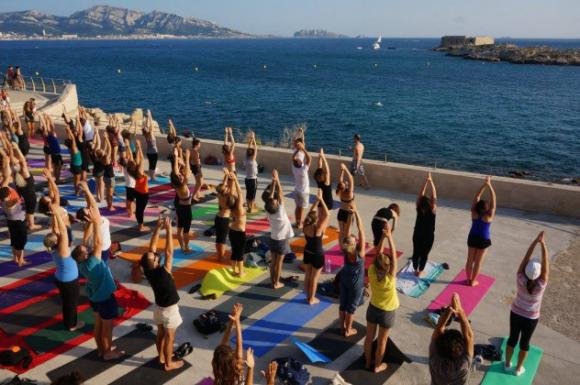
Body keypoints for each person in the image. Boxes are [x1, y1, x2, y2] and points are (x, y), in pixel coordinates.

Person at [72, 206, 124, 361]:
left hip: (94, 298)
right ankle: (108, 353)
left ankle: (101, 349)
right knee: (107, 327)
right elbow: (98, 242)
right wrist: (95, 222)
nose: (86, 247)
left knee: (98, 324)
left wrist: (89, 225)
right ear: (84, 254)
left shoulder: (81, 264)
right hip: (105, 298)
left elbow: (86, 242)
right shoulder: (94, 260)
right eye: (84, 249)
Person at [141, 217, 184, 371]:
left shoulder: (148, 270)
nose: (155, 254)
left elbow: (151, 249)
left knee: (160, 333)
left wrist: (158, 229)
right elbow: (169, 251)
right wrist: (169, 230)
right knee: (170, 338)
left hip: (158, 307)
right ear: (154, 263)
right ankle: (168, 363)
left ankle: (160, 356)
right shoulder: (163, 272)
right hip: (169, 310)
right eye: (154, 258)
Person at [505, 231, 549, 376]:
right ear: (539, 273)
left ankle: (507, 364)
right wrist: (543, 245)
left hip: (516, 313)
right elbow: (546, 262)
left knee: (512, 338)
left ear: (526, 270)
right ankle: (518, 369)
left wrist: (536, 241)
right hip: (531, 318)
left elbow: (526, 257)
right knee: (525, 343)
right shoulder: (541, 284)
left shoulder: (520, 278)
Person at [43, 201, 84, 332]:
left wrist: (55, 215)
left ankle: (69, 321)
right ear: (56, 241)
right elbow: (63, 232)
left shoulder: (54, 248)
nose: (57, 234)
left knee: (67, 302)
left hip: (61, 279)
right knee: (71, 304)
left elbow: (56, 231)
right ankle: (71, 325)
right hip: (68, 281)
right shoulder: (63, 250)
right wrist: (59, 217)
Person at [364, 225, 399, 373]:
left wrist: (383, 237)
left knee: (369, 337)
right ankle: (377, 366)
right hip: (387, 312)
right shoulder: (390, 279)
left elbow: (377, 253)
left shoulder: (371, 272)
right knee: (381, 341)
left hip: (373, 308)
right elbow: (393, 255)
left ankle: (367, 363)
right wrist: (390, 236)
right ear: (388, 268)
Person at [429, 293, 474, 385]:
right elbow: (469, 336)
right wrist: (459, 310)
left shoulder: (435, 360)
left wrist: (449, 310)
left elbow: (439, 328)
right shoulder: (463, 365)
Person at [265, 170, 295, 289]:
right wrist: (277, 180)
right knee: (279, 263)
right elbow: (281, 194)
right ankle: (276, 283)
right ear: (277, 205)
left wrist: (274, 181)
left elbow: (270, 197)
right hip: (282, 241)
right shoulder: (281, 212)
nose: (276, 200)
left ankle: (273, 280)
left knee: (273, 262)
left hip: (273, 239)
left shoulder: (269, 211)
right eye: (276, 201)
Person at [339, 208, 365, 337]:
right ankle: (348, 330)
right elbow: (361, 230)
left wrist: (350, 214)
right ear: (354, 244)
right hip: (356, 284)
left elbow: (347, 230)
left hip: (344, 279)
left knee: (343, 305)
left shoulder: (344, 250)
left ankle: (341, 327)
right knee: (351, 308)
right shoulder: (359, 254)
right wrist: (357, 212)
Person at [213, 303, 254, 385]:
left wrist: (233, 322)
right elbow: (239, 345)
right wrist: (251, 368)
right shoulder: (238, 372)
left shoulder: (218, 371)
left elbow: (226, 343)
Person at [466, 176, 496, 286]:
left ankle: (468, 279)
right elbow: (494, 200)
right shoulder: (488, 216)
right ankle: (473, 281)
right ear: (487, 208)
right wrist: (490, 186)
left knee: (470, 260)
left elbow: (477, 196)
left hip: (472, 237)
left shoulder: (474, 212)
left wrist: (484, 184)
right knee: (478, 262)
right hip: (483, 240)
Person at [0, 146, 27, 266]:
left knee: (14, 240)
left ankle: (15, 258)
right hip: (17, 221)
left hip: (11, 221)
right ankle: (20, 260)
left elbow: (6, 173)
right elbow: (14, 202)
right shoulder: (10, 202)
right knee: (20, 241)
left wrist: (5, 155)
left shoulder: (3, 192)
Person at [303, 190, 329, 305]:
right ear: (316, 219)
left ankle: (307, 296)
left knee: (308, 275)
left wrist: (316, 201)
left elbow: (310, 212)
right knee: (314, 278)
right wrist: (321, 200)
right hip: (318, 254)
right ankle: (311, 299)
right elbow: (327, 214)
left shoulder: (305, 225)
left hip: (307, 252)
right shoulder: (317, 229)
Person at [76, 182, 112, 262]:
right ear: (87, 218)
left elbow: (90, 204)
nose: (90, 209)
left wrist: (86, 192)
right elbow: (94, 205)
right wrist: (88, 190)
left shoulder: (90, 221)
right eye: (88, 211)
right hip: (102, 249)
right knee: (102, 266)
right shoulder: (96, 220)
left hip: (100, 246)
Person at [9, 142, 39, 231]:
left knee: (28, 208)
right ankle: (31, 225)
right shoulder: (24, 173)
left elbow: (14, 161)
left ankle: (28, 220)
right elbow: (22, 160)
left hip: (24, 195)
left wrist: (11, 150)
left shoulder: (14, 174)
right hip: (30, 195)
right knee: (31, 209)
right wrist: (17, 148)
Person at [412, 172, 437, 276]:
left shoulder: (418, 208)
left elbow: (420, 194)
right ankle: (420, 271)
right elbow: (434, 196)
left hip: (417, 233)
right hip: (428, 235)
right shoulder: (432, 210)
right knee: (424, 254)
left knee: (416, 251)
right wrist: (431, 181)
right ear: (430, 203)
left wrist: (426, 181)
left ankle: (415, 269)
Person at [170, 147, 193, 253]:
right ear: (180, 180)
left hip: (179, 207)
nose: (181, 175)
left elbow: (175, 172)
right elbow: (188, 173)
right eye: (180, 176)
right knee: (186, 231)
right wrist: (187, 158)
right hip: (186, 209)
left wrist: (176, 156)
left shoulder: (175, 184)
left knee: (179, 229)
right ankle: (186, 247)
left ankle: (181, 246)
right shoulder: (183, 186)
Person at [227, 171, 247, 277]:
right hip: (240, 233)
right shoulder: (239, 209)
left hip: (232, 231)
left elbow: (232, 194)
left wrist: (231, 180)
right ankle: (240, 272)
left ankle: (233, 270)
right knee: (239, 254)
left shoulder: (231, 206)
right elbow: (240, 193)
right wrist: (236, 180)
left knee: (234, 251)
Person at [127, 139, 150, 232]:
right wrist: (139, 147)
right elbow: (142, 160)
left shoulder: (133, 171)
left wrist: (137, 148)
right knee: (140, 210)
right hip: (143, 193)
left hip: (137, 191)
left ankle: (140, 223)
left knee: (139, 209)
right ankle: (141, 226)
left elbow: (137, 159)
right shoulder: (139, 172)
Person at [291, 140, 311, 229]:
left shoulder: (294, 169)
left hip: (297, 191)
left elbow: (293, 158)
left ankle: (297, 222)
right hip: (304, 192)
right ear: (300, 163)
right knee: (301, 209)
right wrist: (303, 148)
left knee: (297, 208)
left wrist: (297, 150)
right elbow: (309, 158)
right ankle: (299, 224)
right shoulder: (304, 169)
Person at [215, 171, 234, 261]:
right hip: (224, 220)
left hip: (218, 217)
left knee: (218, 238)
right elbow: (230, 187)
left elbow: (223, 185)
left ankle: (219, 255)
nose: (227, 187)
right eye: (226, 187)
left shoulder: (219, 195)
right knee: (222, 240)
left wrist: (226, 175)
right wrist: (233, 180)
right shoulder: (227, 197)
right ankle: (221, 256)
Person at [63, 114, 83, 195]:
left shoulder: (71, 148)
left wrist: (68, 131)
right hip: (76, 166)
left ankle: (76, 190)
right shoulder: (74, 149)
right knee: (77, 180)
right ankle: (77, 192)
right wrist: (70, 132)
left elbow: (70, 139)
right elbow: (73, 140)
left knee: (76, 179)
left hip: (74, 165)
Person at [336, 163, 355, 239]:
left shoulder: (340, 192)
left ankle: (341, 245)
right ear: (345, 186)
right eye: (345, 183)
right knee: (347, 232)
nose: (345, 182)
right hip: (348, 213)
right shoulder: (349, 193)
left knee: (341, 231)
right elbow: (351, 178)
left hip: (341, 212)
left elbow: (340, 181)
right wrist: (345, 168)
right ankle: (346, 246)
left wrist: (342, 171)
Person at [121, 139, 136, 218]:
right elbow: (131, 156)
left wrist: (127, 147)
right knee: (131, 200)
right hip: (131, 186)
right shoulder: (128, 167)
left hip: (128, 185)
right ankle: (131, 213)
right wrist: (128, 146)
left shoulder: (125, 167)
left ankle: (128, 210)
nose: (127, 158)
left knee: (128, 199)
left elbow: (129, 156)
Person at [244, 131, 258, 213]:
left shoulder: (246, 159)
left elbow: (248, 149)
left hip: (247, 179)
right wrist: (254, 139)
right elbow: (255, 148)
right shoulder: (252, 161)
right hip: (253, 180)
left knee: (248, 193)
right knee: (252, 196)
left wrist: (251, 140)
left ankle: (249, 206)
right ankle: (250, 208)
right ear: (252, 155)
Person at [189, 138, 207, 202]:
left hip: (193, 167)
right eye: (199, 144)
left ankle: (198, 194)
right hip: (196, 168)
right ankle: (193, 196)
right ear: (197, 144)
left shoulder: (191, 149)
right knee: (199, 183)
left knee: (200, 182)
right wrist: (200, 172)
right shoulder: (196, 152)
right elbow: (197, 163)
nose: (200, 145)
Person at [143, 110, 159, 181]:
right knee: (153, 165)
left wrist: (147, 117)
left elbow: (146, 126)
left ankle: (152, 176)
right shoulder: (150, 135)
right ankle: (152, 177)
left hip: (149, 152)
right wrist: (149, 115)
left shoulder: (146, 135)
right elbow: (151, 125)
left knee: (151, 165)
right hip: (153, 152)